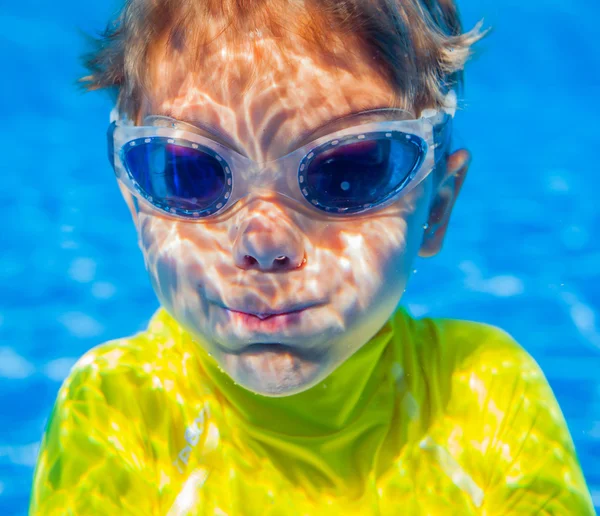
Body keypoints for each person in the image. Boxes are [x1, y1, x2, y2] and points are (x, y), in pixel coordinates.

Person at [30, 0, 595, 514]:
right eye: (191, 173)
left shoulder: (483, 392)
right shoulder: (120, 407)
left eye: (347, 172)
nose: (264, 242)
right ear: (136, 206)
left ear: (437, 209)